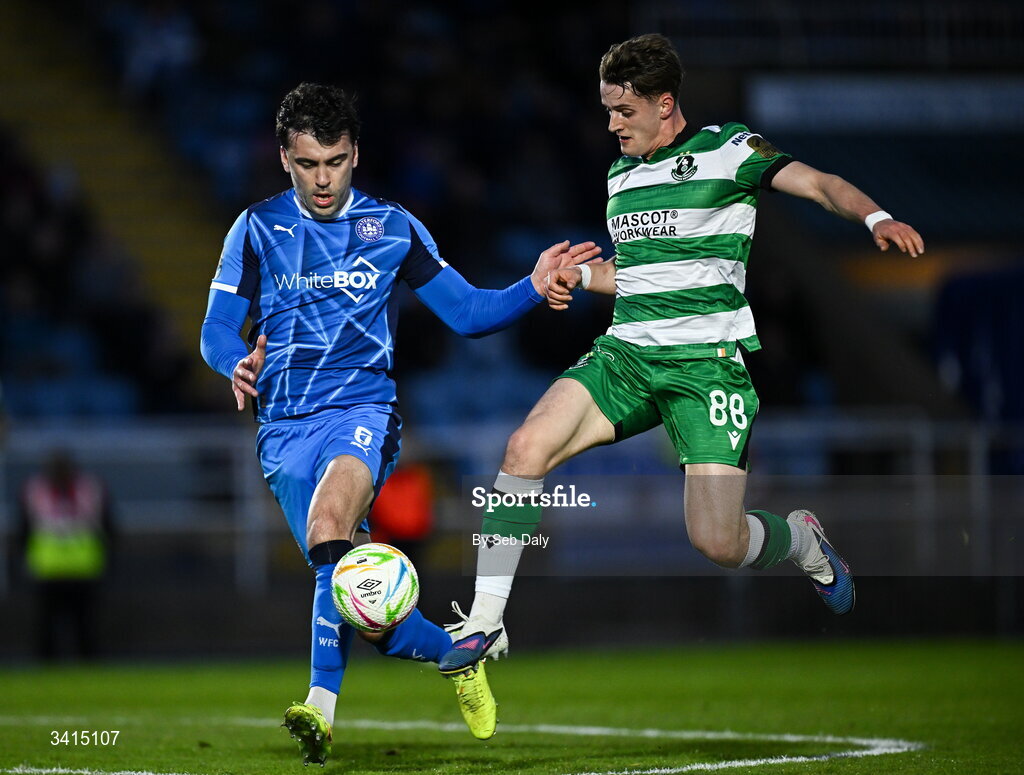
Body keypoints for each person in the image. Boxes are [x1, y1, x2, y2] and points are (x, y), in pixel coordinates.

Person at [439, 34, 925, 675]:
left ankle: (802, 540)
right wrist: (580, 278)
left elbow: (820, 183)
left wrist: (874, 218)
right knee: (525, 449)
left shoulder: (730, 152)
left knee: (718, 542)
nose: (612, 125)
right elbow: (639, 275)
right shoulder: (622, 175)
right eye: (607, 110)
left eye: (624, 112)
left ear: (665, 104)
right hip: (629, 357)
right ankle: (485, 624)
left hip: (706, 368)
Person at [199, 82, 599, 765]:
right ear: (284, 159)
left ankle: (319, 710)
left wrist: (533, 285)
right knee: (364, 603)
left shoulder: (392, 228)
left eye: (336, 161)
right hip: (283, 431)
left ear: (356, 153)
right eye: (307, 164)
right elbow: (214, 329)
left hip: (362, 413)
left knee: (332, 524)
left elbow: (469, 313)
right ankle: (457, 654)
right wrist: (236, 361)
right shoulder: (256, 228)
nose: (323, 179)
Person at [17, 449, 115, 661]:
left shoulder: (90, 489)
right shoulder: (36, 490)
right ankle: (48, 665)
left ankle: (87, 664)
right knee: (48, 624)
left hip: (81, 567)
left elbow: (108, 526)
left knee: (84, 623)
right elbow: (25, 529)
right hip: (50, 567)